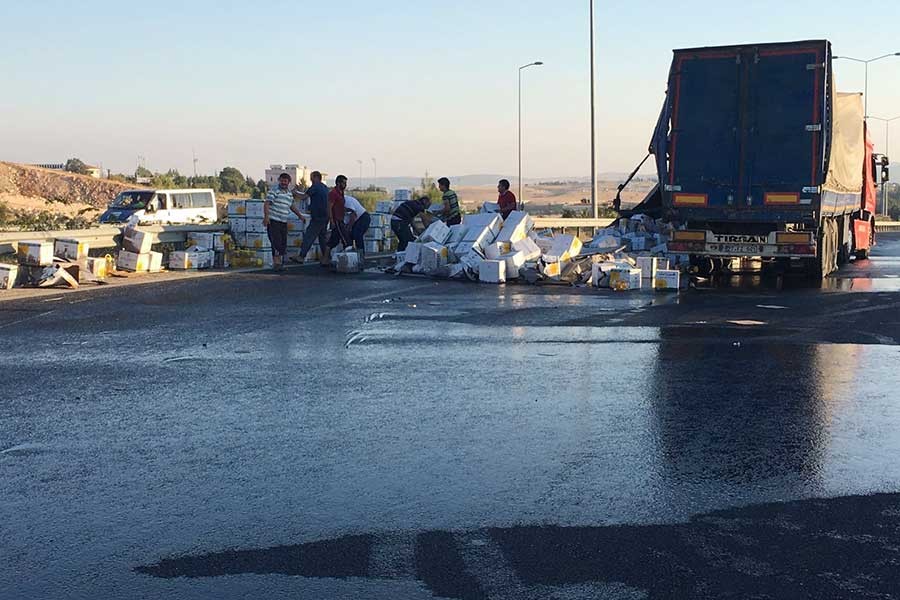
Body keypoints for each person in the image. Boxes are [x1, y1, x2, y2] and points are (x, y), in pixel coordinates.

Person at [263, 172, 303, 270]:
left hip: (283, 221)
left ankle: (280, 263)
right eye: (282, 181)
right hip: (274, 220)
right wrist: (266, 217)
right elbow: (267, 204)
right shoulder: (274, 191)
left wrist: (300, 215)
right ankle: (276, 263)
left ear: (289, 182)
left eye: (286, 181)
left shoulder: (289, 194)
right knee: (276, 241)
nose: (284, 183)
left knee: (282, 242)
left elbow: (291, 206)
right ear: (279, 181)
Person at [291, 170, 330, 265]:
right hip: (325, 216)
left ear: (316, 177)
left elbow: (304, 196)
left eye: (311, 177)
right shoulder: (325, 188)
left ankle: (301, 256)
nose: (310, 179)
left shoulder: (315, 187)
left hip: (318, 217)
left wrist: (295, 192)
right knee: (322, 238)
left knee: (309, 236)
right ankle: (326, 258)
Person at [324, 175, 350, 261]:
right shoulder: (333, 193)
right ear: (338, 183)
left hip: (341, 218)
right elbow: (329, 207)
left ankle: (325, 259)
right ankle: (346, 260)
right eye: (344, 183)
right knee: (346, 239)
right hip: (337, 220)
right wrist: (332, 220)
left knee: (333, 241)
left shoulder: (341, 193)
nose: (345, 185)